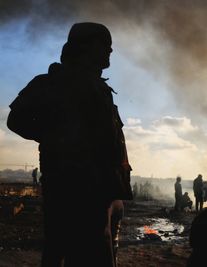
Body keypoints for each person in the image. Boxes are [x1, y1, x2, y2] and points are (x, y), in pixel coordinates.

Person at [7, 22, 133, 267]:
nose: (110, 51)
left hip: (99, 188)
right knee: (67, 250)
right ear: (85, 47)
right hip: (70, 186)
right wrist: (56, 137)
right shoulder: (53, 83)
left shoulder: (100, 89)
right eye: (104, 45)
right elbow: (16, 120)